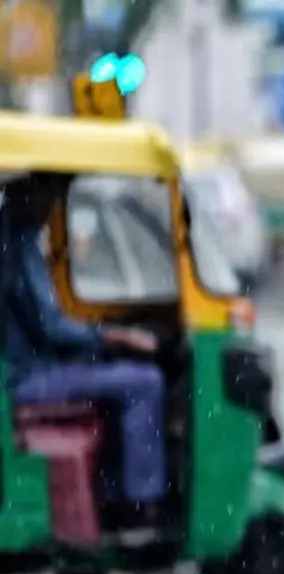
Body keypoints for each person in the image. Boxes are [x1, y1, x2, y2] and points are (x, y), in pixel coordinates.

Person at [1, 172, 170, 530]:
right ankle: (141, 505)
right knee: (145, 382)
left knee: (116, 377)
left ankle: (112, 495)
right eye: (50, 193)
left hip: (27, 368)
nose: (53, 206)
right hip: (27, 378)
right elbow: (51, 326)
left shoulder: (18, 240)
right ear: (29, 192)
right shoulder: (17, 244)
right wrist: (113, 338)